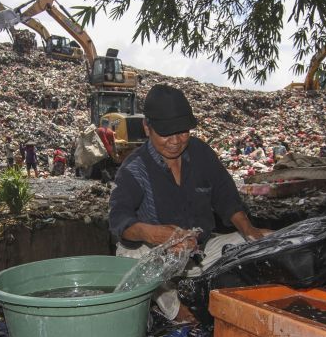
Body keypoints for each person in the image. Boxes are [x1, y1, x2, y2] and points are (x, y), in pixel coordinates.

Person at [109, 84, 272, 322]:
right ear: (147, 127)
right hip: (161, 265)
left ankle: (212, 292)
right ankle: (174, 309)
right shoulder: (134, 169)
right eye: (166, 133)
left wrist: (250, 231)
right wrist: (153, 234)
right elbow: (118, 220)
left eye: (183, 132)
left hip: (202, 254)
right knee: (128, 255)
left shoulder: (201, 153)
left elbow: (226, 197)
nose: (176, 141)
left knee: (270, 243)